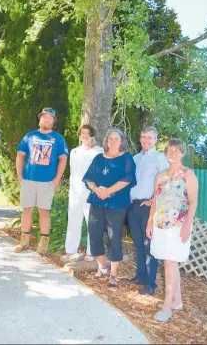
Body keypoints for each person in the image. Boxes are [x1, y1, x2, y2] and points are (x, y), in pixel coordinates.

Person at [146, 139, 198, 322]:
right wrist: (149, 222)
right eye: (169, 150)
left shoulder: (188, 175)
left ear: (182, 153)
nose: (172, 153)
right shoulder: (160, 175)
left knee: (170, 263)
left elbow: (193, 202)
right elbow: (155, 200)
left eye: (176, 150)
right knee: (170, 262)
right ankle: (177, 300)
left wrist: (186, 227)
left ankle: (167, 307)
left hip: (179, 226)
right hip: (160, 225)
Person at [82, 128, 136, 287]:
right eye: (110, 138)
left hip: (117, 204)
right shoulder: (98, 158)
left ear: (122, 141)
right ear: (106, 141)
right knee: (94, 234)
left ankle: (113, 274)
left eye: (116, 139)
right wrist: (97, 190)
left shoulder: (126, 158)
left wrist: (108, 191)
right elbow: (89, 178)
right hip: (97, 201)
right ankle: (102, 267)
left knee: (114, 237)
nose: (113, 141)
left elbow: (128, 179)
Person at [13, 107, 68, 255]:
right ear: (40, 119)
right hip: (28, 180)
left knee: (44, 211)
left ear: (53, 121)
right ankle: (24, 242)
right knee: (27, 210)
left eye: (50, 118)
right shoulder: (29, 136)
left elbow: (63, 159)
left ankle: (43, 244)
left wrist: (57, 179)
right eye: (44, 117)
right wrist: (19, 175)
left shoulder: (58, 139)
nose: (46, 119)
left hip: (47, 182)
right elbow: (20, 155)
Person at [123, 126, 169, 295]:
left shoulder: (160, 159)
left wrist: (152, 200)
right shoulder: (135, 158)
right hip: (133, 205)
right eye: (143, 137)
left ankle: (151, 284)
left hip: (149, 207)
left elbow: (166, 182)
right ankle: (140, 277)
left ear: (156, 140)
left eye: (150, 138)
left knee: (149, 244)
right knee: (138, 244)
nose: (146, 140)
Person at [64, 125, 103, 262]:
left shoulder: (99, 152)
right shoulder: (74, 151)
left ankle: (91, 252)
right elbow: (73, 172)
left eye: (87, 133)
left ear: (92, 135)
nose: (84, 135)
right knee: (73, 221)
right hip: (74, 193)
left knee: (91, 223)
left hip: (90, 192)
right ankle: (70, 251)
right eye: (82, 133)